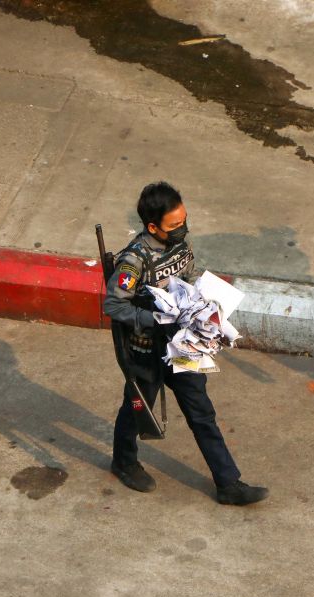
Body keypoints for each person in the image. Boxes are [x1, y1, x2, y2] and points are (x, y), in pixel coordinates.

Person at [103, 182, 268, 505]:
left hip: (182, 346)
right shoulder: (133, 261)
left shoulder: (181, 246)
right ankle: (123, 460)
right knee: (138, 408)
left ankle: (228, 483)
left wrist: (204, 306)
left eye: (184, 221)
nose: (182, 229)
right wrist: (151, 319)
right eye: (174, 225)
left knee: (201, 412)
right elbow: (113, 305)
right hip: (145, 350)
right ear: (153, 226)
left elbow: (189, 279)